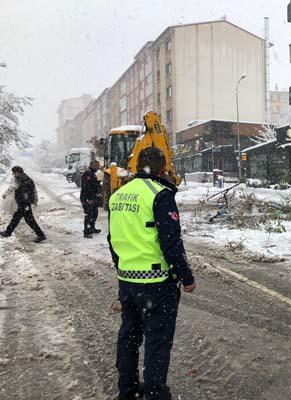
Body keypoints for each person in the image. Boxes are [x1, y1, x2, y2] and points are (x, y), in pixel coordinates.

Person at [108, 147, 196, 400]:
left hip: (127, 280)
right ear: (161, 168)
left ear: (137, 166)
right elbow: (171, 242)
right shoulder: (160, 195)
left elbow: (112, 238)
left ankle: (127, 390)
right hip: (157, 283)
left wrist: (121, 266)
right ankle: (156, 393)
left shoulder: (118, 195)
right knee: (157, 341)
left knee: (129, 337)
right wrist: (186, 277)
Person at [0, 166, 46, 243]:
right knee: (27, 220)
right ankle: (41, 235)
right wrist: (35, 201)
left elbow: (13, 187)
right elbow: (34, 191)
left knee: (19, 218)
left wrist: (5, 194)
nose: (13, 175)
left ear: (17, 172)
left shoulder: (20, 178)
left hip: (23, 203)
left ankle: (8, 232)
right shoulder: (28, 178)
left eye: (14, 173)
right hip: (26, 203)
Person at [80, 160, 101, 238]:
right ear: (92, 165)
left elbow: (94, 185)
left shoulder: (93, 174)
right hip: (87, 198)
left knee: (95, 212)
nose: (98, 167)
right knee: (89, 214)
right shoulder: (88, 173)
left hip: (92, 197)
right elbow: (87, 187)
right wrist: (90, 198)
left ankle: (92, 228)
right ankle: (87, 231)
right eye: (97, 165)